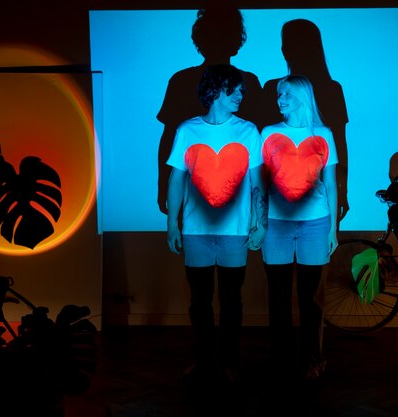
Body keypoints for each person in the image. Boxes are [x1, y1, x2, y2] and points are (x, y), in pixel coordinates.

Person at [166, 64, 266, 386]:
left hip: (235, 232)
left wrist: (259, 222)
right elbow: (176, 178)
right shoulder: (187, 131)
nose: (240, 95)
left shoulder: (248, 131)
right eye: (234, 89)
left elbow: (257, 182)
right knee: (200, 300)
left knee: (231, 299)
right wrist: (172, 223)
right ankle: (203, 358)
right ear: (215, 90)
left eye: (241, 90)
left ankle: (230, 361)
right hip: (196, 231)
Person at [260, 74, 338, 383]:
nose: (280, 100)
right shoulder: (268, 133)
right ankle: (281, 359)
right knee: (278, 297)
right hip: (277, 223)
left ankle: (312, 359)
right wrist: (259, 220)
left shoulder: (324, 134)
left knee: (311, 299)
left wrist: (333, 229)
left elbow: (330, 183)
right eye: (279, 95)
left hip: (315, 223)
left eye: (287, 95)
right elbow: (260, 181)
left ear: (302, 97)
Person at [157, 0, 263, 215]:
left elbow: (258, 150)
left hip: (235, 197)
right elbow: (169, 138)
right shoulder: (182, 81)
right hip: (194, 194)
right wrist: (164, 186)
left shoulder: (247, 82)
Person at [260, 18, 349, 226]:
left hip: (309, 200)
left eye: (288, 43)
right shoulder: (329, 89)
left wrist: (341, 190)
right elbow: (341, 146)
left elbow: (339, 147)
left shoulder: (331, 89)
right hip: (278, 203)